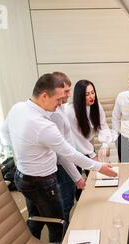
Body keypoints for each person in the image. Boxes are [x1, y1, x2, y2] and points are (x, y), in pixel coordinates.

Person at [2, 73, 117, 243]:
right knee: (58, 223)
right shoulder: (43, 124)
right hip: (42, 181)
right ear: (44, 96)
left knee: (36, 218)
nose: (60, 103)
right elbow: (69, 152)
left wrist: (21, 156)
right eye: (57, 99)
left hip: (22, 176)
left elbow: (5, 131)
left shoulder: (18, 108)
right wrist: (99, 167)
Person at [65, 79, 114, 200]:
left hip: (86, 144)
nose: (91, 97)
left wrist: (105, 145)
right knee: (78, 184)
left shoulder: (96, 106)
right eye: (87, 94)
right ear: (79, 96)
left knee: (94, 177)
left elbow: (103, 126)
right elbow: (78, 139)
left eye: (93, 92)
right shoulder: (70, 111)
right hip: (73, 149)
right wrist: (93, 156)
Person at [49, 72, 83, 233]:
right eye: (66, 91)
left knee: (64, 206)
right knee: (65, 205)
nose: (69, 94)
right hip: (61, 167)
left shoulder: (61, 108)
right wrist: (77, 177)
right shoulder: (54, 113)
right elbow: (62, 153)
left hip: (68, 162)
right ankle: (62, 242)